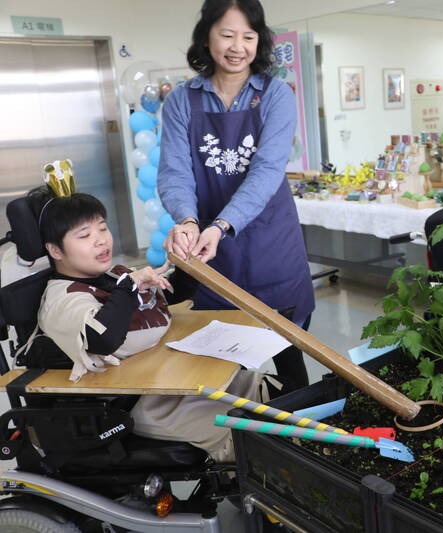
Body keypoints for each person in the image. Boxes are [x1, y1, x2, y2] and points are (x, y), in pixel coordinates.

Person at [28, 187, 264, 462]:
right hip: (140, 403)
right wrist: (129, 287)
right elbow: (101, 338)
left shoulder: (114, 274)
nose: (101, 241)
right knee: (250, 435)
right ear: (55, 249)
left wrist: (188, 268)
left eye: (103, 229)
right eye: (85, 235)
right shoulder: (63, 298)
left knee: (269, 391)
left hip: (172, 379)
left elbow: (162, 301)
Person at [158, 0, 313, 392]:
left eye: (247, 36)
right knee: (219, 363)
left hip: (270, 241)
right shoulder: (182, 100)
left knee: (287, 357)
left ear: (259, 41)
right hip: (211, 251)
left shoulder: (276, 94)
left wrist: (222, 225)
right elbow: (175, 172)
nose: (237, 46)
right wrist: (188, 221)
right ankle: (234, 445)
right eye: (227, 34)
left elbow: (266, 171)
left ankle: (296, 441)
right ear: (207, 36)